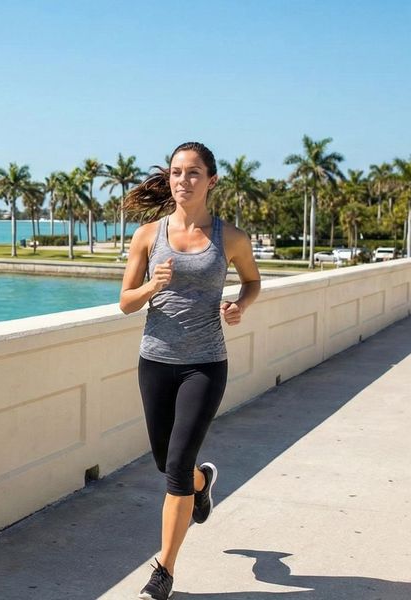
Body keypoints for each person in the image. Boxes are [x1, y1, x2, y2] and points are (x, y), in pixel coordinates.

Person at [118, 142, 261, 599]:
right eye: (177, 172)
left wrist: (239, 304)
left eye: (194, 173)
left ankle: (164, 570)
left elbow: (253, 280)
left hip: (205, 364)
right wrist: (150, 287)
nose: (184, 181)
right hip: (155, 362)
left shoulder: (230, 237)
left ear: (211, 180)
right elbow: (124, 302)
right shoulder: (147, 235)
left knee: (176, 466)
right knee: (168, 464)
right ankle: (204, 483)